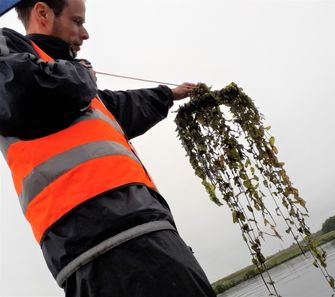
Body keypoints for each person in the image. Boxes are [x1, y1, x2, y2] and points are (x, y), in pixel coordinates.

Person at [0, 1, 217, 296]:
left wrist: (169, 93)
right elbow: (22, 90)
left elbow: (122, 107)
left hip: (142, 230)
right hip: (102, 245)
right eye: (77, 21)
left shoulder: (79, 87)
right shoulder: (12, 49)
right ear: (43, 13)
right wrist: (82, 74)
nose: (85, 33)